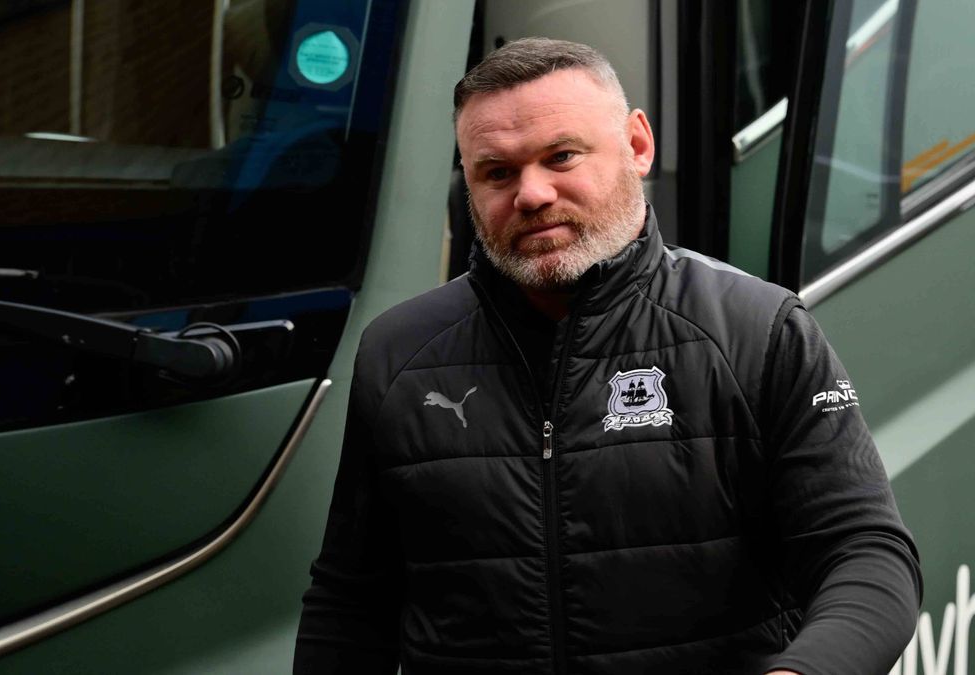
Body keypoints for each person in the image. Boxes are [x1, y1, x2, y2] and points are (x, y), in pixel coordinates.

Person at [294, 37, 921, 675]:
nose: (531, 194)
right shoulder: (397, 354)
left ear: (637, 145)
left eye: (560, 156)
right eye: (497, 172)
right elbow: (351, 600)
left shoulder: (759, 330)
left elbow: (866, 553)